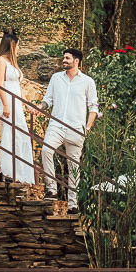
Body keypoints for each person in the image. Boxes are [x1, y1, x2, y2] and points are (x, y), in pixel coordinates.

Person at [31, 48, 98, 212]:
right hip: (56, 125)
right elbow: (48, 100)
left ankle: (73, 205)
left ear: (76, 61)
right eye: (64, 58)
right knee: (46, 150)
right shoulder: (56, 78)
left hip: (76, 129)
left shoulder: (88, 82)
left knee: (74, 166)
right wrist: (39, 108)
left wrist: (87, 128)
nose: (64, 60)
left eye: (67, 58)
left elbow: (94, 107)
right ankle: (52, 189)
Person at [0, 32, 35, 183]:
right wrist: (5, 104)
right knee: (10, 135)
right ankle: (7, 171)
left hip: (16, 103)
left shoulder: (13, 63)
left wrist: (27, 104)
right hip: (7, 102)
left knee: (21, 136)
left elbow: (18, 88)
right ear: (12, 45)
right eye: (18, 45)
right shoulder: (1, 61)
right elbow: (0, 84)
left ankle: (21, 173)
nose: (19, 48)